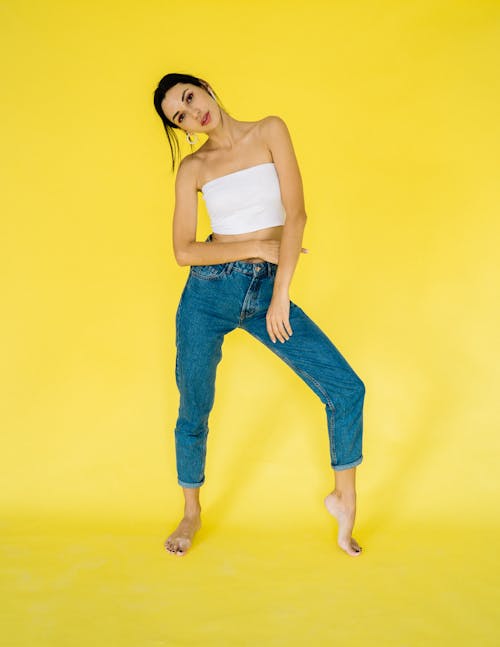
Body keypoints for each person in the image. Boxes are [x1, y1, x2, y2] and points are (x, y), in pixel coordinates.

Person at [153, 73, 365, 557]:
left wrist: (281, 293)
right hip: (207, 295)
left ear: (205, 87)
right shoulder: (193, 169)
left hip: (268, 289)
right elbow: (184, 252)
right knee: (194, 406)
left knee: (346, 388)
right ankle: (191, 511)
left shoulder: (270, 131)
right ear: (181, 128)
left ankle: (343, 498)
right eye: (179, 116)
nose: (192, 112)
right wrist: (256, 246)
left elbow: (298, 215)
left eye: (189, 97)